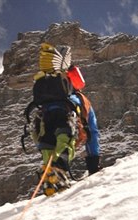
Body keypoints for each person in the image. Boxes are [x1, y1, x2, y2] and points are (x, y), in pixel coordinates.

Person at [30, 44, 101, 196]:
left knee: (48, 146)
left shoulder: (48, 96)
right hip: (65, 119)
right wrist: (93, 165)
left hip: (44, 119)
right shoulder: (81, 100)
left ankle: (50, 181)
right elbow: (92, 133)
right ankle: (58, 172)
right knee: (65, 143)